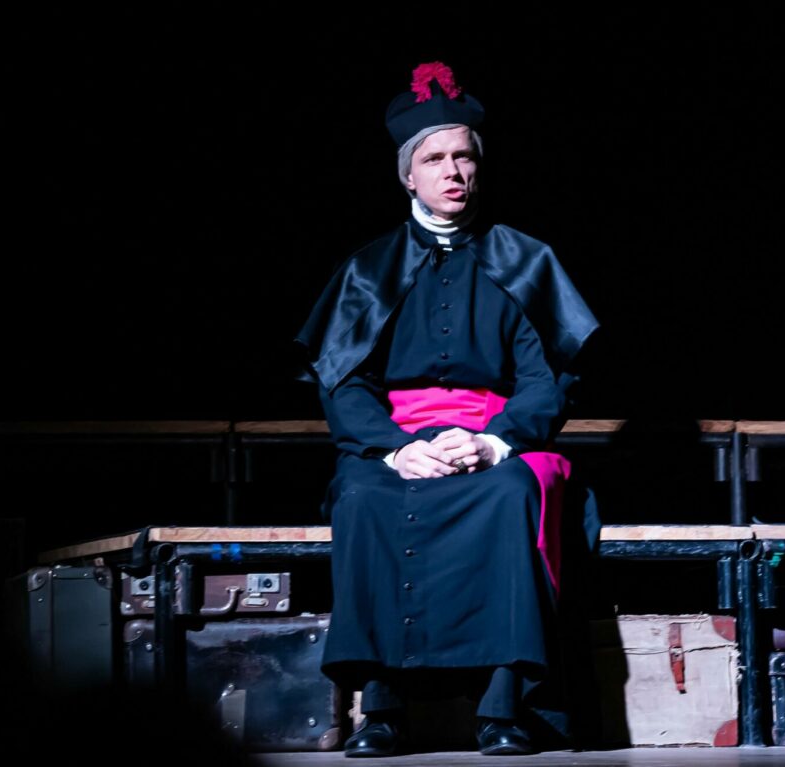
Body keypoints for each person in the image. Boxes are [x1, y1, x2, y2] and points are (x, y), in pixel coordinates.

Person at [294, 62, 600, 757]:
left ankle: (503, 708)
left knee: (510, 493)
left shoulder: (525, 260)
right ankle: (382, 708)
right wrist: (395, 448)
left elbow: (544, 379)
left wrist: (495, 441)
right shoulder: (368, 270)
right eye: (434, 159)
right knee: (364, 496)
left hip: (491, 437)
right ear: (408, 174)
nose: (453, 171)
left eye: (464, 156)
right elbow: (344, 381)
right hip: (399, 441)